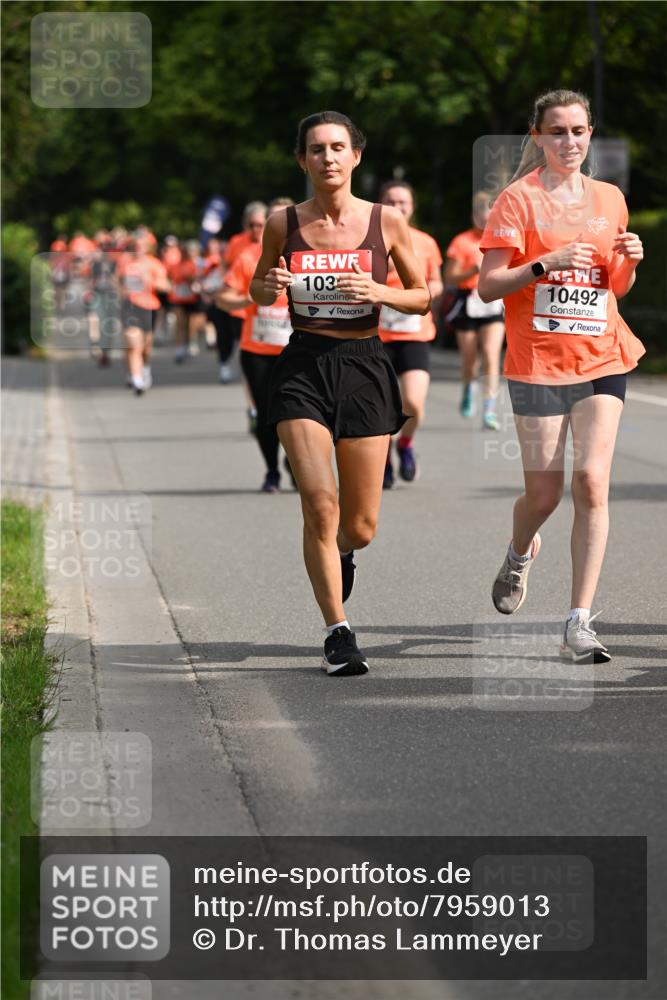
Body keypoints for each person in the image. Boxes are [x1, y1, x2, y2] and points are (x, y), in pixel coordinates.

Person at [250, 111, 430, 676]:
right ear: (301, 160)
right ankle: (338, 631)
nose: (327, 158)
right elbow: (256, 288)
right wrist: (270, 284)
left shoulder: (387, 223)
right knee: (319, 503)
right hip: (303, 364)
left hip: (365, 363)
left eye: (337, 148)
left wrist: (379, 289)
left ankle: (343, 551)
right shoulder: (283, 223)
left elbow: (423, 297)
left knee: (360, 525)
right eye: (315, 149)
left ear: (356, 157)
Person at [478, 89, 645, 663]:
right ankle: (520, 550)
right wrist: (546, 263)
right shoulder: (516, 201)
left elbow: (614, 288)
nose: (568, 141)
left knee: (592, 482)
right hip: (538, 362)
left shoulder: (610, 198)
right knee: (543, 494)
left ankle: (579, 621)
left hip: (602, 355)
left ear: (590, 133)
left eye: (578, 131)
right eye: (557, 132)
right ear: (537, 137)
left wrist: (629, 259)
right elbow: (489, 285)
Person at [217, 199, 295, 493]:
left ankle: (295, 459)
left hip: (298, 348)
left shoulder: (310, 253)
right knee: (266, 414)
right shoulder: (250, 256)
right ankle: (272, 471)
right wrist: (248, 298)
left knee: (298, 412)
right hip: (258, 348)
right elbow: (223, 297)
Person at [378, 181, 443, 486]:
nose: (397, 207)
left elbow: (436, 281)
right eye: (391, 201)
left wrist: (425, 294)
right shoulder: (370, 240)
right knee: (381, 405)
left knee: (413, 403)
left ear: (412, 207)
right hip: (376, 335)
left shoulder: (426, 242)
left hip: (415, 333)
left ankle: (405, 443)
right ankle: (385, 454)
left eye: (403, 202)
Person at [445, 192, 505, 430]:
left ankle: (489, 410)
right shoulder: (462, 242)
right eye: (481, 215)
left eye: (490, 215)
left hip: (492, 304)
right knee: (470, 361)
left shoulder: (502, 241)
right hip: (468, 302)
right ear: (474, 216)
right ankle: (469, 388)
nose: (485, 220)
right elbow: (449, 277)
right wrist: (471, 271)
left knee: (491, 356)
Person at [217, 202, 268, 384]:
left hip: (270, 309)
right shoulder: (237, 242)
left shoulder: (275, 243)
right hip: (241, 304)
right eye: (251, 225)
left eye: (259, 225)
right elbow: (226, 265)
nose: (255, 229)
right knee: (246, 346)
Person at [118, 235, 170, 394]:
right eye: (136, 244)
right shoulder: (125, 262)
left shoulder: (154, 264)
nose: (139, 248)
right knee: (134, 343)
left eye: (142, 245)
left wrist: (151, 281)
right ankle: (137, 379)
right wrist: (120, 292)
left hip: (149, 306)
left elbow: (167, 286)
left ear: (148, 247)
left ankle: (144, 368)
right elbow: (117, 281)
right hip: (130, 306)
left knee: (146, 347)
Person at [168, 240, 206, 362]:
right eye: (188, 251)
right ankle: (180, 348)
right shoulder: (177, 265)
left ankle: (190, 342)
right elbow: (172, 277)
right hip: (179, 297)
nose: (190, 253)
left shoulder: (200, 264)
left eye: (193, 251)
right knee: (180, 323)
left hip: (194, 297)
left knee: (192, 323)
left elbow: (202, 277)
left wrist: (193, 279)